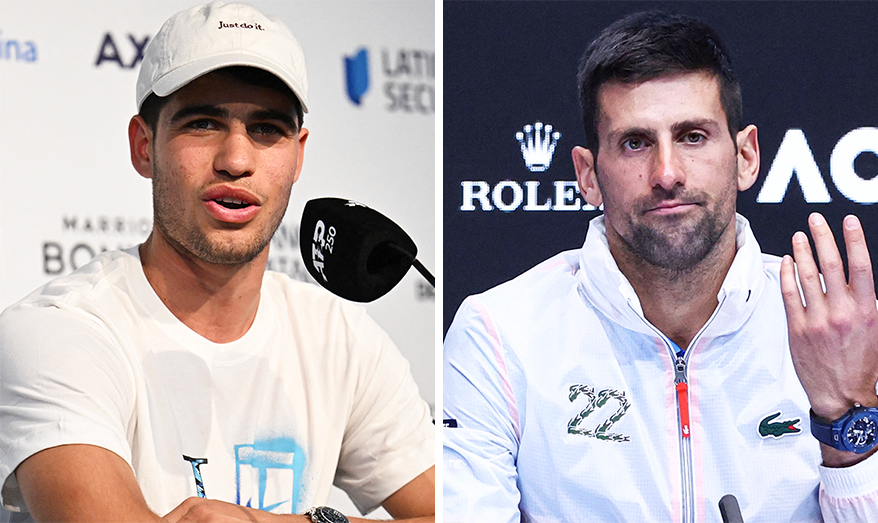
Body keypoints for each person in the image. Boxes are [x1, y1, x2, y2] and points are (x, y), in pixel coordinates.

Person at [0, 2, 434, 522]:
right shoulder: (59, 331)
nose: (236, 159)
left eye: (267, 129)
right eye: (203, 123)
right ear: (144, 146)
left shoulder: (339, 338)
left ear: (298, 156)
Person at [443, 11, 878, 522]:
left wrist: (844, 417)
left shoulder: (843, 330)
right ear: (587, 174)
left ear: (745, 157)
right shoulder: (499, 333)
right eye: (635, 143)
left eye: (693, 136)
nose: (666, 173)